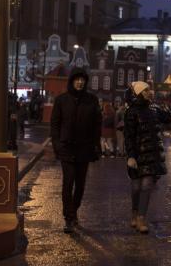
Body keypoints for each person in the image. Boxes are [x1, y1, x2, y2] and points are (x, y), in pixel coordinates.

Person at [124, 81, 171, 233]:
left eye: (149, 90)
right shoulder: (131, 112)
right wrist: (131, 156)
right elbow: (129, 136)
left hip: (152, 155)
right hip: (137, 155)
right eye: (145, 91)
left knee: (146, 186)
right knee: (136, 186)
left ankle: (141, 218)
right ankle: (134, 212)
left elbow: (169, 117)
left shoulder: (155, 109)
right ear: (138, 93)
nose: (149, 92)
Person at [50, 67, 102, 234]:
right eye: (77, 79)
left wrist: (96, 146)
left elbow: (96, 125)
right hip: (66, 147)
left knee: (80, 185)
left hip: (84, 148)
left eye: (82, 79)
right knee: (68, 183)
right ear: (72, 81)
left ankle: (74, 210)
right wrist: (57, 144)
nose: (80, 82)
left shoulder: (92, 100)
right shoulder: (61, 100)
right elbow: (55, 124)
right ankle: (69, 218)